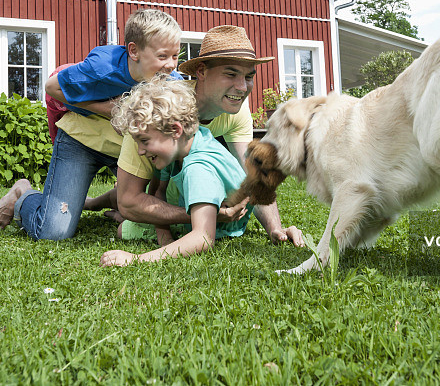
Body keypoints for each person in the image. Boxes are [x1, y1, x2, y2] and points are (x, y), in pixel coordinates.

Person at [98, 24, 303, 246]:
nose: (243, 87)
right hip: (146, 177)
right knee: (118, 214)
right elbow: (129, 201)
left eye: (248, 76)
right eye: (231, 74)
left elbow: (252, 175)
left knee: (127, 224)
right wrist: (204, 216)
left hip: (178, 184)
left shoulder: (236, 111)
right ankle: (92, 203)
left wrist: (276, 229)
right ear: (202, 71)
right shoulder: (157, 113)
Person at [0, 9, 183, 240]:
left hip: (123, 147)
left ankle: (110, 202)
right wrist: (110, 109)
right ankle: (23, 193)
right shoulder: (102, 67)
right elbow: (52, 88)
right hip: (80, 141)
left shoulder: (169, 80)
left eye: (175, 55)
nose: (171, 65)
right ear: (134, 51)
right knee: (52, 232)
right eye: (163, 56)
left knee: (146, 204)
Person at [99, 77, 261, 265]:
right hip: (191, 203)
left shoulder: (199, 169)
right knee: (132, 221)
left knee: (124, 230)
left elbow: (203, 237)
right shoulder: (178, 146)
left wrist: (136, 259)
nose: (140, 151)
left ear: (175, 130)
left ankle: (111, 212)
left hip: (223, 226)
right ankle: (99, 206)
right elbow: (157, 192)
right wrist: (164, 236)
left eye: (144, 141)